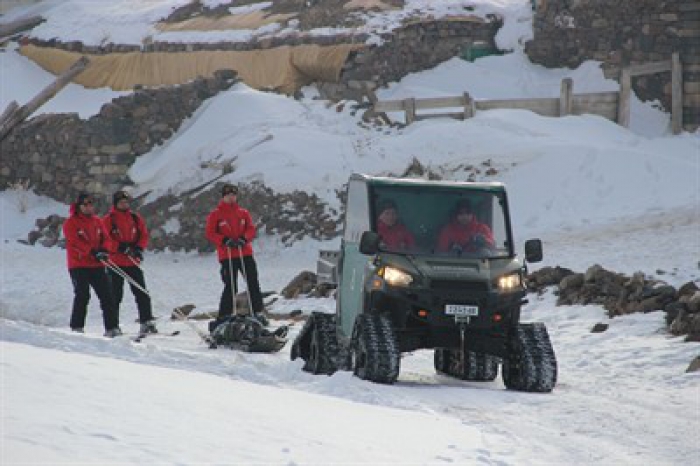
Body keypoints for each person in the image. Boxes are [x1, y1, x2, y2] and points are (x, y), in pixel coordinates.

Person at [205, 184, 268, 327]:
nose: (231, 197)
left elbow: (251, 229)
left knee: (252, 281)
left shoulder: (243, 213)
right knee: (230, 285)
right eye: (228, 195)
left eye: (233, 195)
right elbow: (210, 233)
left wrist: (244, 238)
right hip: (227, 255)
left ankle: (257, 311)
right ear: (223, 197)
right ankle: (224, 316)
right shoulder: (216, 214)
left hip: (244, 252)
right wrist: (224, 240)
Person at [62, 192, 121, 337]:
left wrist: (104, 250)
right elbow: (74, 242)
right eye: (85, 204)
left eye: (90, 204)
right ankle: (77, 326)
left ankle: (112, 327)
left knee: (107, 295)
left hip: (97, 264)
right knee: (82, 294)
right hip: (78, 265)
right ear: (79, 206)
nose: (88, 207)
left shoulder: (97, 221)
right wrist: (92, 251)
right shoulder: (70, 223)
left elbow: (106, 238)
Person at [102, 190, 157, 335]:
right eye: (121, 202)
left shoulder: (135, 217)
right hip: (115, 262)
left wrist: (138, 248)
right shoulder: (109, 219)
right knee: (115, 295)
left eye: (126, 202)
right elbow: (105, 239)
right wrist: (119, 247)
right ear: (116, 204)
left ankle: (147, 321)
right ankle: (112, 326)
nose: (124, 204)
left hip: (132, 261)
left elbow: (143, 234)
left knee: (142, 292)